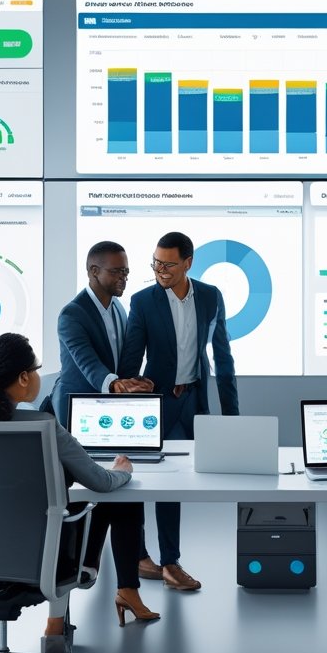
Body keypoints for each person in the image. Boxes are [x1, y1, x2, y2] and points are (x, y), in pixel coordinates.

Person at [0, 333, 157, 653]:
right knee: (113, 500)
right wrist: (123, 469)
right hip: (43, 559)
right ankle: (81, 603)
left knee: (50, 512)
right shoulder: (44, 425)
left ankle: (63, 622)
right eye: (37, 369)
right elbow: (100, 481)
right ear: (24, 377)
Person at [118, 231, 240, 592]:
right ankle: (149, 558)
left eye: (168, 264)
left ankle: (167, 560)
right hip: (156, 404)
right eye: (155, 263)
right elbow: (130, 359)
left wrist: (231, 418)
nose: (160, 270)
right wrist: (128, 396)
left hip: (192, 401)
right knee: (141, 479)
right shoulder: (142, 301)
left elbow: (222, 356)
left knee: (177, 481)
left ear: (188, 263)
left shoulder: (210, 296)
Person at [44, 240, 154, 426]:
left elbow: (120, 359)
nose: (123, 277)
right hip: (76, 406)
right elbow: (87, 361)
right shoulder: (71, 314)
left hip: (109, 406)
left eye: (125, 271)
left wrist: (132, 383)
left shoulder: (118, 307)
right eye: (115, 271)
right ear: (94, 271)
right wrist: (113, 384)